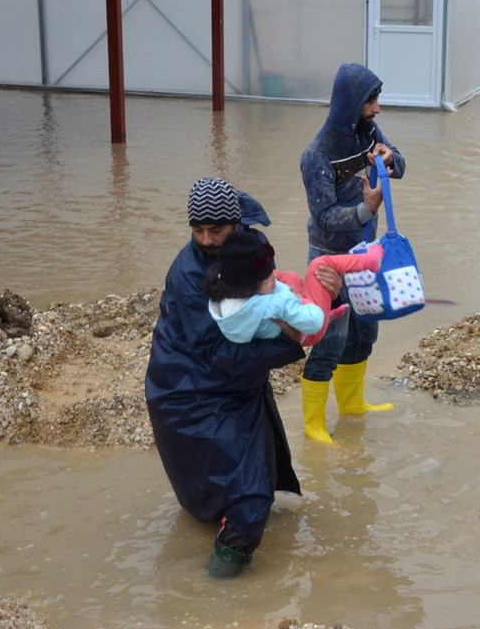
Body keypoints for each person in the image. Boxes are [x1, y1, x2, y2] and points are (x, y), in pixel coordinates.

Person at [144, 177, 341, 579]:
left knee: (260, 472)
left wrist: (328, 292)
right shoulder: (188, 275)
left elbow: (276, 294)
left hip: (236, 383)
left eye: (215, 230)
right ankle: (214, 589)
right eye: (197, 231)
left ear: (237, 224)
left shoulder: (248, 245)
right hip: (189, 390)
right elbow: (218, 353)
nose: (206, 239)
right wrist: (295, 341)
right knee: (249, 502)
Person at [298, 62, 406, 445]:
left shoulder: (368, 132)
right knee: (329, 340)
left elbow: (402, 164)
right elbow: (325, 217)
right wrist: (368, 209)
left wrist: (390, 159)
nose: (377, 109)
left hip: (366, 254)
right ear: (351, 102)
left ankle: (352, 404)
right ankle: (313, 425)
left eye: (377, 100)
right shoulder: (316, 155)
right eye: (371, 101)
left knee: (363, 334)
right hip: (328, 260)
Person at [206, 230, 383, 348]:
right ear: (248, 288)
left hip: (286, 324)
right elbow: (315, 322)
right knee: (319, 264)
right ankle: (369, 261)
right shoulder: (278, 303)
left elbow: (270, 283)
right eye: (267, 279)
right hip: (310, 329)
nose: (273, 277)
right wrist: (299, 300)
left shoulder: (225, 292)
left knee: (287, 276)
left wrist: (280, 288)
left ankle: (329, 311)